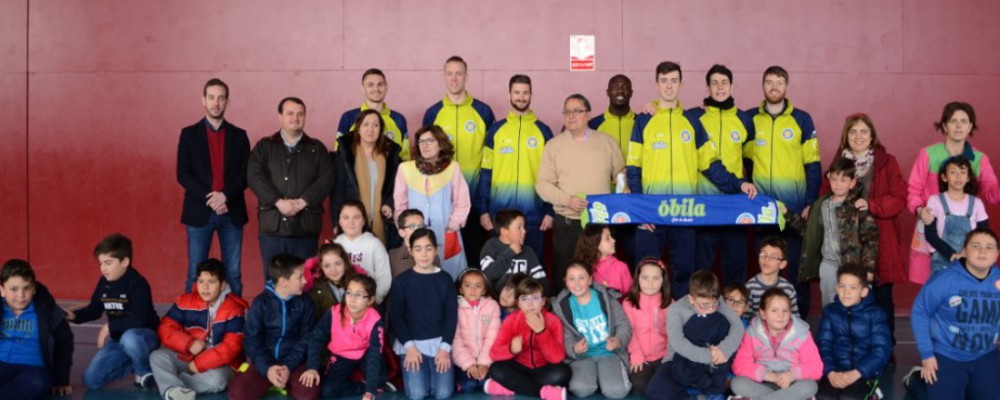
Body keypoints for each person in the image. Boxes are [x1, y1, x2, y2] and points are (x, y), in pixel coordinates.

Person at [628, 61, 756, 298]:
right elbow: (633, 167)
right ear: (656, 84)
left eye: (674, 80)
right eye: (664, 80)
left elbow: (710, 165)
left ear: (681, 84)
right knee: (646, 272)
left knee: (685, 273)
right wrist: (640, 209)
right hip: (651, 213)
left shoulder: (692, 122)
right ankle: (644, 330)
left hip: (685, 211)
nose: (669, 86)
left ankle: (681, 326)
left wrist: (739, 184)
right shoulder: (643, 120)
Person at [821, 112, 907, 353]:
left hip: (880, 239)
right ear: (845, 136)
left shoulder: (886, 162)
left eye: (863, 131)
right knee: (847, 298)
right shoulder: (838, 163)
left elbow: (900, 198)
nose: (858, 136)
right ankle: (851, 349)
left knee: (880, 298)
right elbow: (825, 194)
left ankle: (885, 349)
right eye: (853, 131)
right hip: (844, 244)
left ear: (872, 136)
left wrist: (872, 205)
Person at [744, 65, 821, 316]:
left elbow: (813, 165)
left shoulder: (802, 119)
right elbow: (744, 161)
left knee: (797, 271)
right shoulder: (751, 119)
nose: (774, 86)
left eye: (779, 82)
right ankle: (762, 328)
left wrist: (810, 201)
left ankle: (801, 332)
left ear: (786, 87)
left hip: (795, 211)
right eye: (769, 82)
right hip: (762, 212)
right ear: (763, 86)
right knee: (765, 271)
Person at [536, 94, 626, 294]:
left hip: (600, 224)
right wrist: (566, 200)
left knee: (602, 275)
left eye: (576, 111)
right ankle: (563, 320)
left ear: (588, 114)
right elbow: (542, 184)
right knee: (566, 275)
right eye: (567, 111)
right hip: (568, 223)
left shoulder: (606, 142)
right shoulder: (553, 146)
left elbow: (621, 175)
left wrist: (623, 189)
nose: (571, 116)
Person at [908, 102, 1000, 283]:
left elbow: (992, 193)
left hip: (967, 234)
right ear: (944, 126)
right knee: (934, 283)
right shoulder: (928, 154)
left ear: (970, 126)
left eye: (964, 121)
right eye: (953, 121)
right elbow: (913, 189)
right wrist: (920, 210)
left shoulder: (980, 158)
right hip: (932, 227)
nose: (958, 126)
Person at [176, 78, 251, 296]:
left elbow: (246, 174)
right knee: (194, 272)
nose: (216, 103)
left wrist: (225, 196)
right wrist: (212, 198)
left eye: (221, 98)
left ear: (227, 102)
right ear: (203, 100)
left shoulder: (239, 135)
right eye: (211, 97)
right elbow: (183, 173)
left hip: (232, 211)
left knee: (233, 273)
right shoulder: (188, 134)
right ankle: (192, 321)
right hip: (199, 212)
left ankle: (235, 322)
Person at [906, 228, 1000, 400]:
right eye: (975, 246)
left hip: (985, 355)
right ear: (964, 251)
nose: (982, 251)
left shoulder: (998, 280)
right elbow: (920, 312)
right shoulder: (944, 279)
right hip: (948, 355)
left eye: (989, 247)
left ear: (996, 254)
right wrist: (927, 355)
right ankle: (915, 380)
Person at [248, 97, 334, 279]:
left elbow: (327, 178)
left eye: (300, 114)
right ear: (280, 117)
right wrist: (278, 202)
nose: (295, 118)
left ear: (305, 117)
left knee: (305, 281)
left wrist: (304, 201)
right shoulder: (265, 146)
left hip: (305, 228)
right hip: (273, 228)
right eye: (290, 113)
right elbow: (254, 177)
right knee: (273, 281)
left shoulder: (317, 149)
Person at [423, 56, 496, 268]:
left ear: (466, 76)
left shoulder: (483, 111)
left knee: (474, 256)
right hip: (442, 200)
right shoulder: (433, 113)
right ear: (444, 77)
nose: (454, 78)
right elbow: (425, 157)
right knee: (444, 255)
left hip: (474, 199)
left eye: (459, 73)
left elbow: (490, 158)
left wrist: (483, 201)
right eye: (449, 73)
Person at [688, 65, 755, 286]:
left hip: (734, 204)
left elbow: (751, 162)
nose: (720, 87)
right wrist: (654, 107)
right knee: (701, 267)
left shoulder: (744, 119)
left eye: (724, 82)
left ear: (731, 85)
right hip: (703, 204)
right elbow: (667, 117)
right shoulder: (694, 118)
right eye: (715, 83)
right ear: (708, 87)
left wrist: (750, 192)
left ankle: (735, 314)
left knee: (735, 265)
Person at [66, 233, 160, 390]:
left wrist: (109, 327)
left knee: (130, 338)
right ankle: (138, 362)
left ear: (124, 261)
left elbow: (139, 319)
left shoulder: (138, 283)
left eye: (108, 263)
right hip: (119, 340)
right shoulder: (104, 283)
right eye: (101, 263)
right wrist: (73, 316)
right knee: (91, 380)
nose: (103, 269)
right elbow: (94, 310)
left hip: (144, 337)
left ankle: (144, 372)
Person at [478, 74, 554, 261]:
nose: (521, 97)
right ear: (509, 94)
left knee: (532, 272)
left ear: (531, 95)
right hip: (501, 217)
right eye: (517, 92)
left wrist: (550, 211)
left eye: (525, 93)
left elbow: (554, 175)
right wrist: (483, 210)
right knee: (501, 273)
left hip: (534, 217)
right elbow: (486, 173)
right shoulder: (496, 131)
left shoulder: (543, 131)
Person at [784, 158, 879, 307]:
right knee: (829, 304)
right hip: (828, 264)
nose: (838, 184)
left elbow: (871, 239)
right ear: (829, 179)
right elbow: (809, 231)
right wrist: (787, 214)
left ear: (852, 182)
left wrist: (868, 269)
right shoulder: (821, 204)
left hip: (852, 266)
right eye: (834, 179)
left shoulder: (858, 206)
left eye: (843, 180)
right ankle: (831, 330)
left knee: (853, 305)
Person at [150, 259, 248, 400]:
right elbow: (165, 328)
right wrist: (188, 343)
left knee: (218, 380)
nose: (205, 287)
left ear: (222, 285)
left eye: (211, 282)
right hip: (188, 355)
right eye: (201, 281)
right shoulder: (186, 301)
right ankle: (174, 390)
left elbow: (230, 348)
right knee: (157, 356)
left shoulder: (234, 309)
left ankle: (172, 386)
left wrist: (199, 364)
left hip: (218, 365)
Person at [229, 253, 318, 400]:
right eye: (299, 277)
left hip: (294, 362)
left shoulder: (305, 302)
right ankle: (273, 380)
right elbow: (252, 339)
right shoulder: (260, 303)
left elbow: (307, 338)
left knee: (309, 393)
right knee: (238, 393)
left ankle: (283, 381)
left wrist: (288, 366)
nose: (304, 281)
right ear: (283, 282)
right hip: (265, 362)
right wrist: (267, 368)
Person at [645, 270, 745, 400]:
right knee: (653, 392)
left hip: (712, 361)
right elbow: (677, 342)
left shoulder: (718, 301)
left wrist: (724, 350)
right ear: (691, 299)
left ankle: (711, 388)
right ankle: (692, 393)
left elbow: (738, 326)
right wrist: (707, 356)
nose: (710, 308)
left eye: (713, 304)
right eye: (705, 305)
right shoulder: (676, 309)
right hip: (681, 361)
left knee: (720, 321)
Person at [393, 125, 472, 280]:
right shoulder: (405, 169)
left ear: (441, 144)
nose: (425, 145)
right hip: (414, 234)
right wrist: (405, 231)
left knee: (451, 277)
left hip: (446, 232)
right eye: (421, 141)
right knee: (419, 276)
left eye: (430, 140)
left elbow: (462, 203)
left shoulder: (452, 168)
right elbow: (400, 205)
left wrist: (452, 226)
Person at [390, 229, 458, 400]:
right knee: (417, 394)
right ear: (411, 251)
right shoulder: (402, 281)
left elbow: (451, 316)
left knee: (443, 394)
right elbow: (396, 317)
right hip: (412, 344)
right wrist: (409, 347)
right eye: (418, 249)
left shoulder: (445, 279)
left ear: (436, 249)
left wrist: (444, 349)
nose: (424, 254)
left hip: (439, 344)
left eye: (428, 248)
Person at [553, 261, 633, 399]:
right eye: (571, 278)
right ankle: (595, 378)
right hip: (583, 357)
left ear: (590, 279)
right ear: (565, 281)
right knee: (581, 390)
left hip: (609, 353)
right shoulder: (562, 306)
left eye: (581, 277)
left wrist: (618, 341)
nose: (577, 283)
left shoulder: (606, 298)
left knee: (617, 392)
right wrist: (574, 348)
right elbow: (565, 336)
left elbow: (623, 324)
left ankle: (604, 378)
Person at [485, 277, 571, 400]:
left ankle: (511, 387)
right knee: (495, 368)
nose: (530, 304)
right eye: (524, 299)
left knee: (563, 373)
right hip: (519, 369)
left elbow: (557, 358)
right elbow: (494, 353)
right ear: (519, 303)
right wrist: (511, 349)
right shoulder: (511, 320)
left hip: (543, 370)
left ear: (543, 301)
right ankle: (542, 392)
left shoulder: (553, 321)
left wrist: (541, 331)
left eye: (535, 298)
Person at [301, 274, 385, 400]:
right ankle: (360, 386)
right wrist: (312, 367)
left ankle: (369, 385)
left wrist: (370, 393)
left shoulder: (375, 319)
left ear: (370, 300)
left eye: (359, 295)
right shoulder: (334, 312)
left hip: (365, 352)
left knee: (379, 381)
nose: (352, 299)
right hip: (341, 354)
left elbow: (374, 354)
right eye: (349, 293)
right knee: (328, 391)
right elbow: (316, 337)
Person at [730, 288, 823, 400]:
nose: (781, 315)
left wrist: (791, 374)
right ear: (763, 313)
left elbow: (816, 367)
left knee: (810, 386)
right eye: (774, 310)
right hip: (762, 383)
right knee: (737, 383)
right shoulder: (752, 332)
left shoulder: (802, 333)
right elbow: (740, 364)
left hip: (791, 384)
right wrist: (766, 374)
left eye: (785, 311)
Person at [0, 259, 73, 399]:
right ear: (2, 290)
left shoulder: (45, 309)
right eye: (13, 289)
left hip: (31, 369)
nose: (21, 296)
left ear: (34, 288)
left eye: (26, 288)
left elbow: (65, 341)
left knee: (40, 382)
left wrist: (61, 380)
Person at [816, 264, 891, 400]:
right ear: (836, 288)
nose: (846, 292)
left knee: (848, 398)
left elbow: (881, 350)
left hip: (864, 373)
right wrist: (830, 372)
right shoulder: (830, 311)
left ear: (864, 291)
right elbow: (823, 345)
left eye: (853, 287)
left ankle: (873, 394)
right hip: (835, 371)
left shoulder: (876, 314)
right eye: (842, 286)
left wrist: (857, 373)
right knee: (823, 396)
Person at [330, 109, 402, 246]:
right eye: (366, 124)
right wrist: (335, 223)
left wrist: (389, 203)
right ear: (358, 128)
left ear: (381, 130)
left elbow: (396, 188)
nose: (370, 129)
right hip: (352, 223)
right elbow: (337, 192)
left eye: (376, 125)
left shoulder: (390, 157)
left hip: (382, 224)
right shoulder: (345, 157)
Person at [923, 157, 989, 273]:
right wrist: (952, 254)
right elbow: (930, 235)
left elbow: (983, 234)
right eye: (953, 172)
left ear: (968, 177)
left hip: (970, 260)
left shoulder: (977, 204)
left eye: (963, 172)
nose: (958, 177)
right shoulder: (934, 201)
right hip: (942, 260)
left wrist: (965, 253)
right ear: (944, 177)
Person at [621, 257, 671, 396]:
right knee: (640, 385)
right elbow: (629, 331)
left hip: (663, 356)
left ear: (663, 281)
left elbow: (673, 334)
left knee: (667, 383)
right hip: (640, 355)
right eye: (645, 277)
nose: (650, 282)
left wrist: (668, 357)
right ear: (637, 279)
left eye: (656, 278)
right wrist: (636, 355)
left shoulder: (670, 303)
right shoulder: (628, 303)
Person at [336, 68, 410, 159]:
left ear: (386, 87)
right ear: (363, 88)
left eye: (380, 84)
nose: (376, 88)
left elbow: (405, 155)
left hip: (392, 172)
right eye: (370, 85)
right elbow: (339, 152)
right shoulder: (349, 118)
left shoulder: (399, 119)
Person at [452, 269, 501, 394]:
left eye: (478, 286)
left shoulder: (492, 306)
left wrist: (484, 363)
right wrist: (469, 364)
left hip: (487, 359)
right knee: (469, 386)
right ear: (461, 289)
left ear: (484, 290)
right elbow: (455, 340)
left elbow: (493, 338)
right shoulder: (454, 307)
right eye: (468, 285)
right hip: (463, 360)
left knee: (486, 382)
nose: (473, 290)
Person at [334, 200, 392, 304]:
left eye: (356, 218)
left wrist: (374, 298)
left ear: (364, 221)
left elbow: (384, 277)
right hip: (340, 303)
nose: (351, 222)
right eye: (346, 218)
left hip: (369, 301)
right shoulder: (334, 245)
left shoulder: (374, 244)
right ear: (339, 221)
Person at [480, 209, 548, 294]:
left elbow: (540, 278)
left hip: (522, 300)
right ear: (504, 231)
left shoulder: (528, 250)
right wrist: (510, 252)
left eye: (524, 227)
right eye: (519, 227)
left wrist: (545, 298)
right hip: (496, 301)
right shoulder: (491, 246)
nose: (524, 231)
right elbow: (489, 274)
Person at [745, 236, 801, 317]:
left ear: (782, 264)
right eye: (763, 254)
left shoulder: (788, 288)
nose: (766, 259)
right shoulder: (749, 287)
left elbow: (795, 318)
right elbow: (746, 320)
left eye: (773, 257)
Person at [574, 224, 632, 296]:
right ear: (595, 243)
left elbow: (630, 298)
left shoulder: (622, 267)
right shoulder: (583, 269)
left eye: (611, 236)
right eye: (607, 238)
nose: (613, 240)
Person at [589, 74, 635, 162]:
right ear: (608, 92)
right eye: (615, 87)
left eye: (625, 87)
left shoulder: (641, 123)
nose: (620, 91)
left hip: (634, 176)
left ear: (631, 93)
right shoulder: (593, 125)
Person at [305, 242, 357, 319]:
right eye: (327, 266)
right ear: (321, 268)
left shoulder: (357, 285)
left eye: (337, 264)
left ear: (345, 263)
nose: (333, 269)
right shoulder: (315, 290)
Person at [388, 209, 430, 278]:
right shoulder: (392, 255)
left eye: (422, 226)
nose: (418, 230)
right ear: (401, 232)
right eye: (413, 227)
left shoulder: (431, 253)